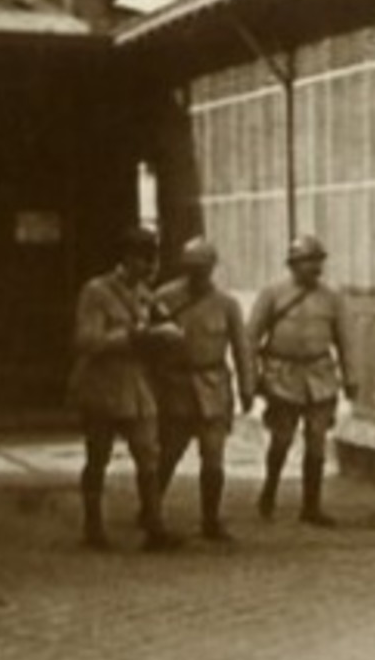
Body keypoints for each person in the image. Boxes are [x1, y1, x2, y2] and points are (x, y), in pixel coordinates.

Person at [67, 226, 184, 551]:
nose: (149, 268)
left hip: (137, 384)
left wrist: (167, 335)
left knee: (149, 454)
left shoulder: (145, 294)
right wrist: (135, 338)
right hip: (102, 384)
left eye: (152, 260)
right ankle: (93, 528)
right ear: (126, 259)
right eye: (143, 260)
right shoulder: (96, 291)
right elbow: (86, 340)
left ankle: (155, 526)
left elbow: (161, 326)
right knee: (98, 455)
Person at [151, 236, 256, 542]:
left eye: (203, 267)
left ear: (212, 268)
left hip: (213, 388)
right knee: (168, 454)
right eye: (191, 267)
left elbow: (241, 348)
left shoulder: (227, 305)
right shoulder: (165, 298)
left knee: (213, 457)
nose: (197, 273)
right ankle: (151, 509)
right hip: (176, 387)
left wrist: (247, 387)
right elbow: (149, 346)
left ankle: (210, 519)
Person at [247, 234, 355, 527]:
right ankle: (270, 488)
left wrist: (351, 376)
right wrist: (251, 378)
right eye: (307, 262)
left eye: (318, 261)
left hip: (320, 375)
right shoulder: (273, 294)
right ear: (292, 264)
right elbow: (251, 337)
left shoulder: (332, 297)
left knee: (317, 442)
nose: (314, 268)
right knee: (281, 439)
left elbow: (345, 339)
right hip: (283, 375)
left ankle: (311, 505)